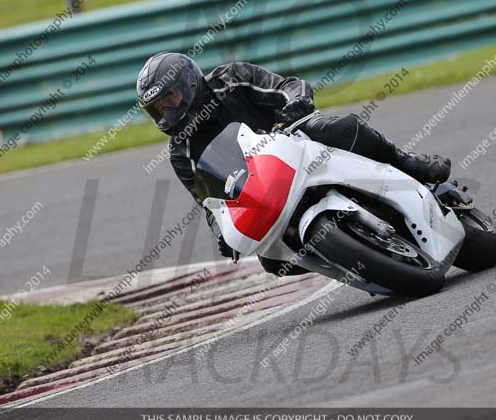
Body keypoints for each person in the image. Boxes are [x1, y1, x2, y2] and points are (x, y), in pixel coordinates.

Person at [136, 52, 451, 274]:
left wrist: (295, 102)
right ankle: (356, 262)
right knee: (271, 261)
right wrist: (223, 233)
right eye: (158, 108)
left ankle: (409, 164)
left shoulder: (230, 79)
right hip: (259, 186)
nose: (167, 112)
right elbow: (208, 201)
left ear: (190, 83)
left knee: (344, 128)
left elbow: (287, 84)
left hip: (292, 136)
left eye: (170, 99)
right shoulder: (181, 151)